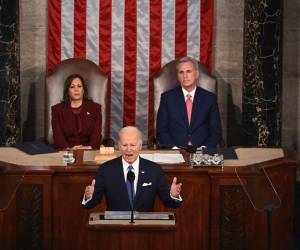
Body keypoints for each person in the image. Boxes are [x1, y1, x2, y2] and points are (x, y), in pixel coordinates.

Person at [82, 126, 182, 211]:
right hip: (115, 228)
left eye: (132, 145)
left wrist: (173, 195)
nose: (128, 149)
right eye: (125, 145)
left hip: (145, 229)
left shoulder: (154, 170)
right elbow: (90, 204)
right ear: (119, 146)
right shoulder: (106, 170)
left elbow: (170, 203)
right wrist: (89, 196)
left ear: (140, 146)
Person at [156, 56, 222, 149]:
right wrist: (174, 149)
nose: (185, 76)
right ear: (178, 76)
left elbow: (216, 132)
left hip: (202, 151)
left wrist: (204, 148)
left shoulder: (209, 99)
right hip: (175, 151)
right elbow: (161, 131)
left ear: (196, 74)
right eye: (181, 72)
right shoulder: (167, 98)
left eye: (188, 71)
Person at [51, 74, 102, 150]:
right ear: (67, 91)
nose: (76, 89)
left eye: (79, 86)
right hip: (66, 152)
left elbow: (96, 134)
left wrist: (89, 147)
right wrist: (69, 149)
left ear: (83, 90)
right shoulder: (57, 110)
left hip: (89, 150)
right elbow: (58, 135)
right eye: (72, 87)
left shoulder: (95, 108)